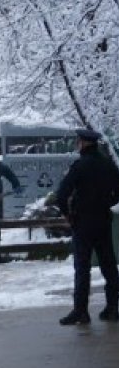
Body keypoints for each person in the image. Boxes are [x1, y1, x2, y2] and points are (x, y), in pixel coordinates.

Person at [54, 129, 119, 325]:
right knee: (109, 266)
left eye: (78, 141)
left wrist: (68, 215)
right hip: (103, 221)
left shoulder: (79, 166)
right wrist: (106, 203)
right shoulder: (108, 164)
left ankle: (81, 311)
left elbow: (61, 195)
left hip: (82, 223)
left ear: (82, 143)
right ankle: (113, 308)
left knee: (82, 268)